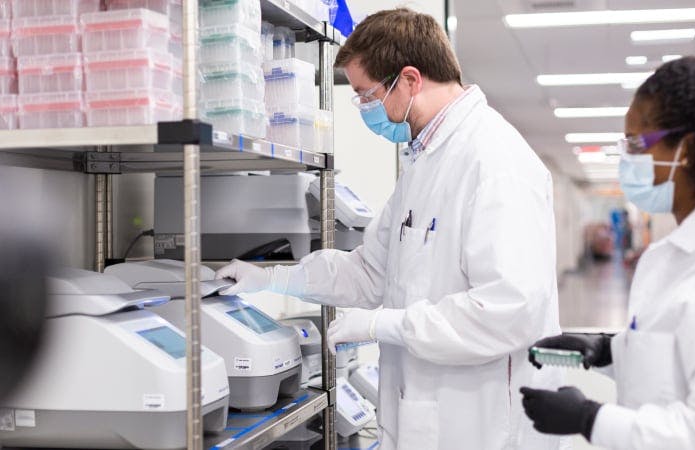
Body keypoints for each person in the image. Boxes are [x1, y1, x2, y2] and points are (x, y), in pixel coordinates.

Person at [216, 7, 563, 450]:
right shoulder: (425, 162)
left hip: (483, 424)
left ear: (411, 80)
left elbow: (509, 311)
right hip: (426, 417)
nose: (363, 108)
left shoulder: (495, 162)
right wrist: (273, 277)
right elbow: (372, 270)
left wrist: (383, 325)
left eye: (366, 95)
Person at [520, 51, 695, 449]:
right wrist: (607, 351)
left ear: (688, 149)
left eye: (637, 143)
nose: (628, 158)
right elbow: (673, 361)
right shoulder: (678, 254)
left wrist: (589, 418)